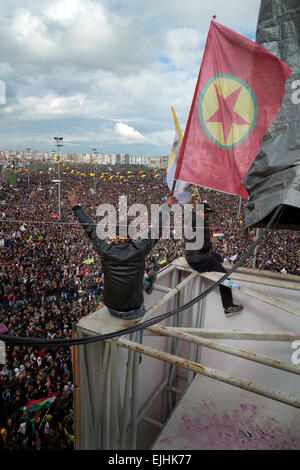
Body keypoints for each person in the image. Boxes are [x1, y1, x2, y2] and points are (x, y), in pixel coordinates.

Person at [67, 189, 166, 320]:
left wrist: (75, 206)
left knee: (133, 281)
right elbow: (156, 231)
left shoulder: (105, 250)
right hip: (134, 309)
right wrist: (167, 207)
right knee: (137, 282)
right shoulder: (140, 249)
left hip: (111, 307)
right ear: (132, 237)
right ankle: (147, 284)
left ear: (116, 237)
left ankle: (147, 284)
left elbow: (90, 228)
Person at [166, 195, 243, 317]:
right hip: (199, 261)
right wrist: (211, 242)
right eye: (206, 213)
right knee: (225, 278)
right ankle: (228, 306)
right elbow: (200, 246)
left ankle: (218, 260)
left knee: (218, 257)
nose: (208, 215)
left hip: (193, 256)